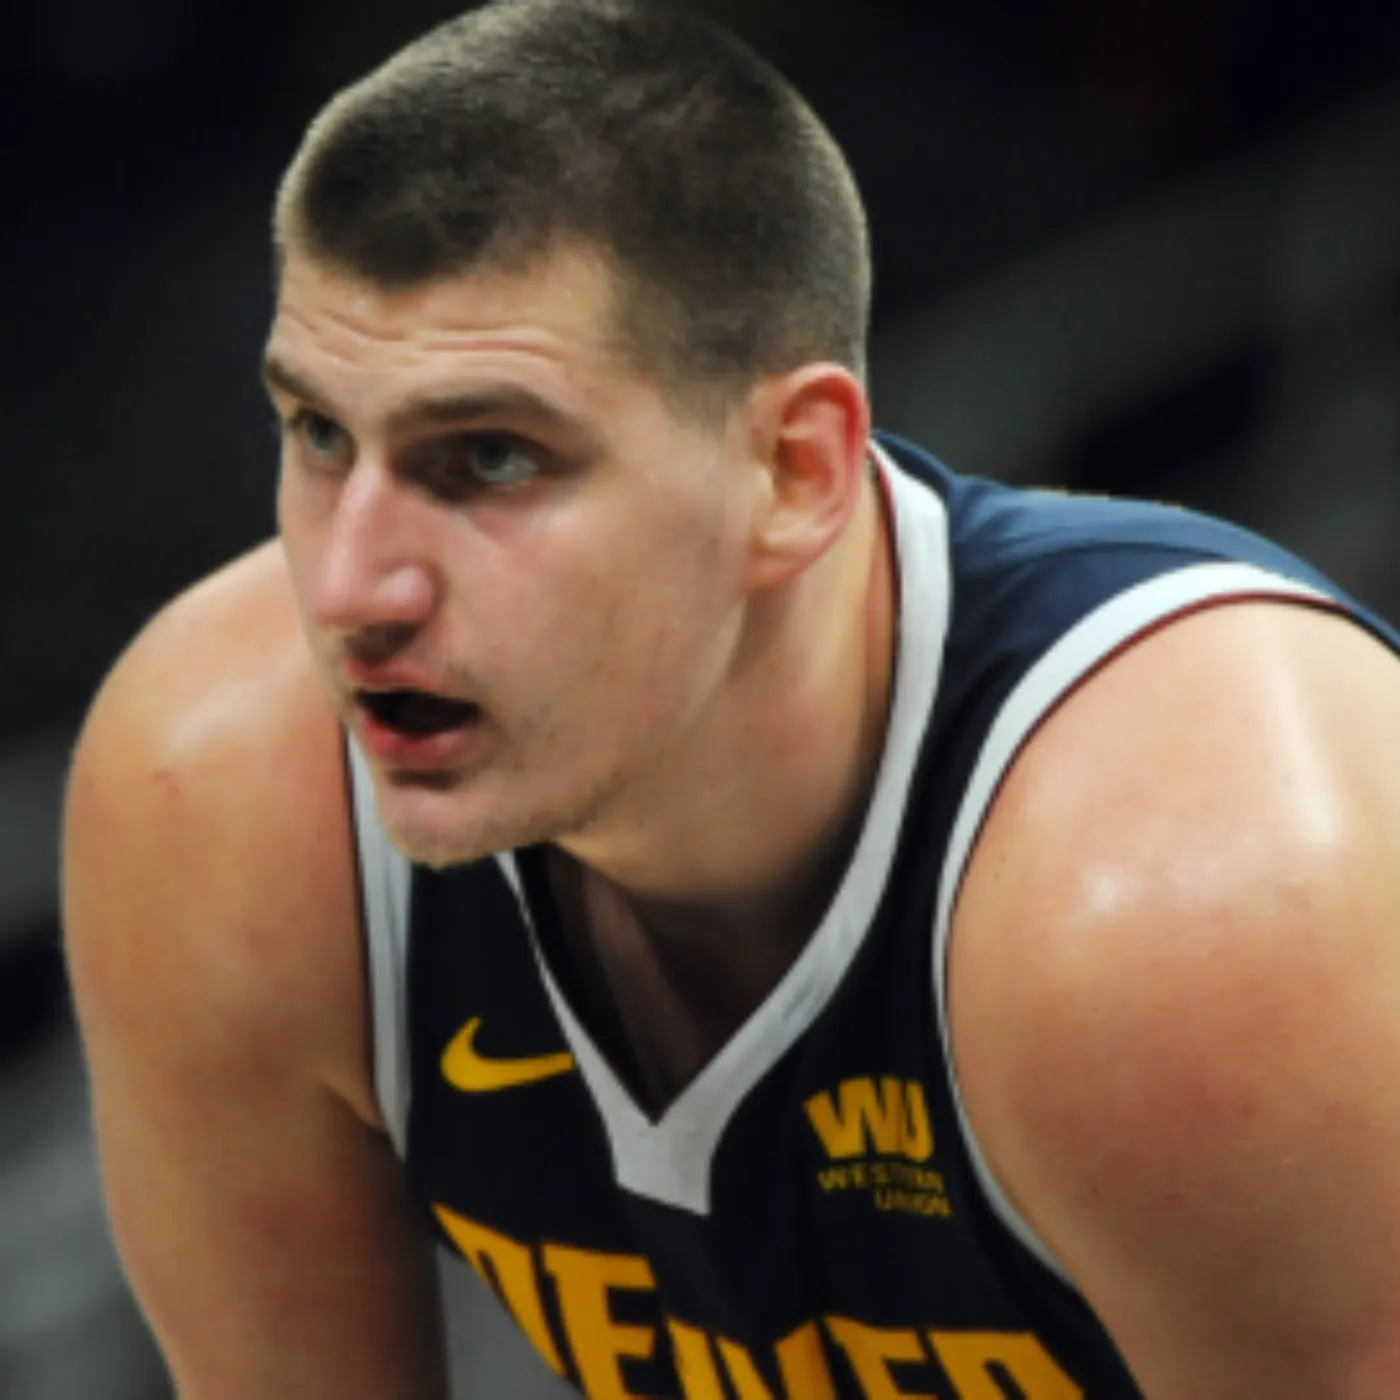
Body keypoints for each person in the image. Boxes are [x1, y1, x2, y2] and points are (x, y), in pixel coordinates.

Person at [62, 1, 1400, 1396]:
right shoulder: (220, 794)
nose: (352, 589)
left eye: (494, 457)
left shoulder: (1187, 893)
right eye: (321, 434)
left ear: (794, 472)